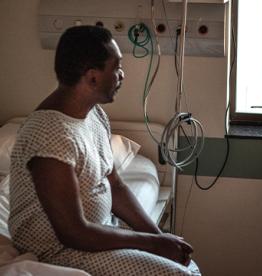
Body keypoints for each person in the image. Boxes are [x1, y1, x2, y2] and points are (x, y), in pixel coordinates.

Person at [8, 25, 201, 276]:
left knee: (186, 264)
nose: (122, 75)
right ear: (92, 77)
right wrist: (153, 244)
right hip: (59, 251)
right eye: (117, 67)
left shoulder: (94, 114)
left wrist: (159, 237)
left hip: (96, 234)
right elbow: (73, 232)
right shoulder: (50, 136)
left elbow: (115, 185)